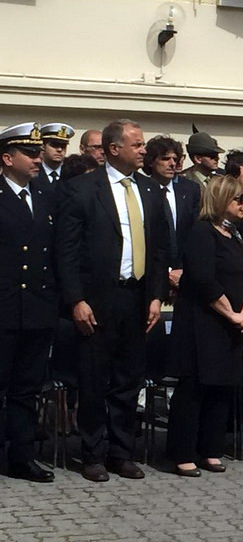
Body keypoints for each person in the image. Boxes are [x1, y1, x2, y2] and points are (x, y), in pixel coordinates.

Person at [55, 119, 170, 482]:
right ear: (114, 149)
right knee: (93, 379)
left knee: (128, 379)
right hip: (97, 300)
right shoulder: (82, 189)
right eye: (137, 145)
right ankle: (92, 452)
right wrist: (76, 299)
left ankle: (122, 452)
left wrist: (156, 296)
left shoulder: (149, 190)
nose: (143, 150)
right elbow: (66, 251)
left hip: (137, 297)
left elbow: (159, 249)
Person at [165, 175, 243, 477]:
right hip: (202, 324)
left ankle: (211, 449)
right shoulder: (201, 232)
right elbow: (204, 280)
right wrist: (231, 313)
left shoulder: (236, 232)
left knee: (222, 388)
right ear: (221, 200)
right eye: (239, 198)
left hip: (231, 324)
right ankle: (183, 453)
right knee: (194, 389)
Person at [0, 123, 58, 482]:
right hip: (4, 306)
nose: (38, 159)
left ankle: (22, 457)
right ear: (8, 158)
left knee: (27, 388)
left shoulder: (45, 194)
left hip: (37, 307)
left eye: (39, 153)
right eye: (31, 153)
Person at [143, 135, 201, 297]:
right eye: (165, 159)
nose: (172, 163)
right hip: (152, 275)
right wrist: (166, 272)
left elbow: (194, 231)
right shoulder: (142, 189)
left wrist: (184, 269)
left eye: (175, 159)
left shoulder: (190, 190)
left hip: (185, 273)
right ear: (151, 162)